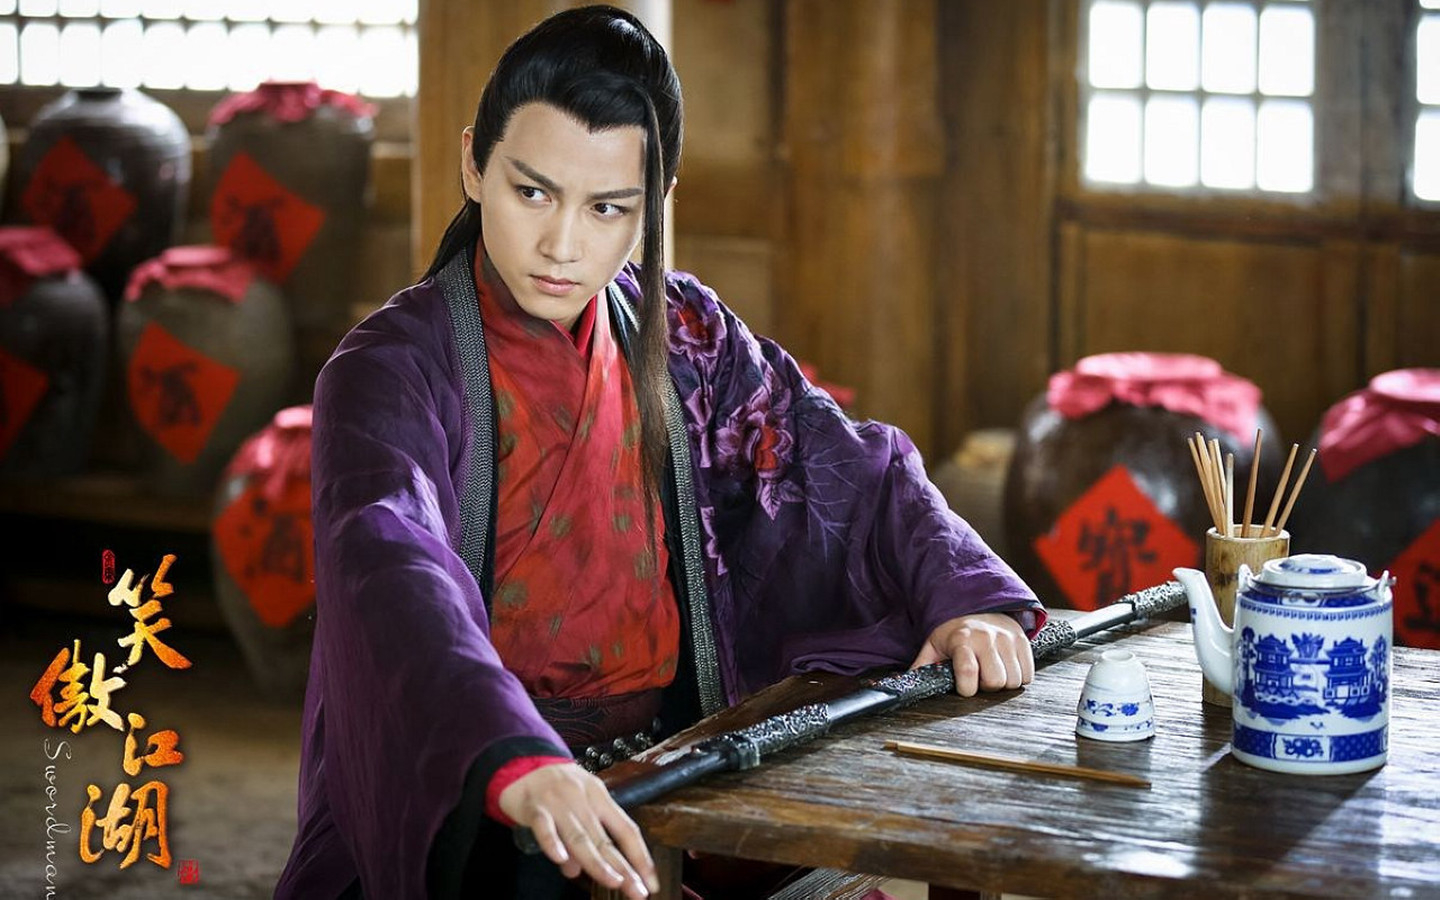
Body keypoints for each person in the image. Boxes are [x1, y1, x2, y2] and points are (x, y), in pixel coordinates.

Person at [274, 6, 1046, 899]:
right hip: (487, 773)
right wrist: (513, 756)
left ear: (658, 203)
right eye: (533, 193)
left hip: (677, 759)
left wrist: (964, 599)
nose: (563, 245)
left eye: (608, 208)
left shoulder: (684, 332)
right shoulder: (391, 369)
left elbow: (849, 467)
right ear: (473, 165)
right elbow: (392, 567)